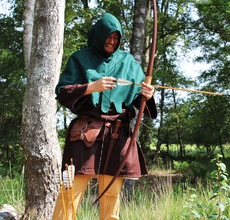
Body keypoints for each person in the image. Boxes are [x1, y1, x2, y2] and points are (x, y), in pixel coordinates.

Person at [53, 13, 157, 220]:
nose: (111, 42)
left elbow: (139, 99)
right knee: (70, 190)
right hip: (85, 132)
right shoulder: (80, 58)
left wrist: (147, 95)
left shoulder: (128, 62)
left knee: (111, 194)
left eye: (115, 37)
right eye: (107, 37)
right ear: (98, 36)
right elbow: (62, 91)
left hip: (117, 136)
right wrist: (91, 87)